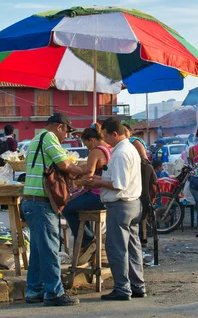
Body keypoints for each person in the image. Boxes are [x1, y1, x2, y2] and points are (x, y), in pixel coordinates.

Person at [22, 113, 83, 307]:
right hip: (41, 202)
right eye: (66, 131)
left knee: (39, 249)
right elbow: (64, 164)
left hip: (31, 201)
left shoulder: (35, 138)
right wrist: (84, 170)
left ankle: (34, 290)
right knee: (49, 248)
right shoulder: (49, 138)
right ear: (60, 127)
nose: (66, 136)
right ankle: (54, 292)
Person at [82, 117, 145, 301]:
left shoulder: (120, 153)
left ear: (114, 134)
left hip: (121, 204)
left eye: (106, 136)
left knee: (117, 248)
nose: (105, 140)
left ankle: (122, 288)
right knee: (133, 247)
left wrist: (98, 181)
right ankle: (137, 285)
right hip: (133, 203)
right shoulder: (129, 149)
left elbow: (119, 184)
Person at [62, 123, 110, 266]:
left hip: (97, 196)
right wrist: (77, 171)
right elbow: (88, 168)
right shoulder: (108, 149)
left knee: (66, 206)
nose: (86, 147)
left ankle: (87, 241)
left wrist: (75, 177)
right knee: (79, 209)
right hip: (106, 195)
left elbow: (89, 172)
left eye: (86, 143)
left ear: (92, 140)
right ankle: (87, 240)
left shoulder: (96, 151)